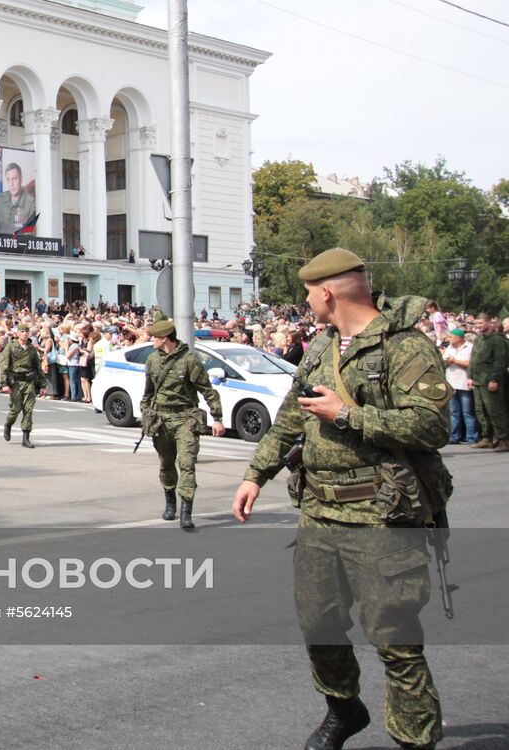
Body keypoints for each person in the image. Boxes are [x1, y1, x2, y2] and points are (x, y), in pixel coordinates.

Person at [232, 248, 452, 750]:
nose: (308, 301)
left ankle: (415, 739)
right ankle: (344, 709)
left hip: (382, 513)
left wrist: (347, 416)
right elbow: (292, 415)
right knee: (319, 624)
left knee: (394, 637)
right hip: (319, 510)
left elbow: (432, 425)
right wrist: (255, 474)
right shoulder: (321, 347)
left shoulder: (405, 348)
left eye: (310, 293)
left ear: (326, 292)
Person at [139, 317, 224, 529]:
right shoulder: (152, 360)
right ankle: (170, 503)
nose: (152, 341)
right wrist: (145, 413)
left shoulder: (189, 360)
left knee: (187, 464)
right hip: (161, 420)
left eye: (155, 337)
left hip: (185, 418)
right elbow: (148, 391)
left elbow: (207, 390)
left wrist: (218, 418)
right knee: (166, 464)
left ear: (165, 338)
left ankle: (187, 511)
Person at [467, 311, 508, 451]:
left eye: (481, 323)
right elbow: (473, 359)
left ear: (489, 322)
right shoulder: (479, 339)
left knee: (495, 410)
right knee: (481, 411)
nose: (478, 325)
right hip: (478, 380)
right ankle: (487, 437)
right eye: (476, 323)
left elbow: (500, 360)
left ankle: (504, 439)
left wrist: (494, 379)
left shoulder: (497, 339)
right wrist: (470, 376)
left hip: (489, 380)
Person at [0, 329, 43, 448]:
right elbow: (4, 365)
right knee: (15, 409)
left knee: (28, 410)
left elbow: (37, 367)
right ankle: (8, 424)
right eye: (22, 331)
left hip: (28, 382)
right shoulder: (10, 347)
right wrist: (4, 384)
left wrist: (43, 384)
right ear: (18, 333)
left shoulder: (32, 348)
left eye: (26, 332)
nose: (25, 334)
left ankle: (26, 438)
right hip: (16, 382)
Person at [441, 327, 478, 445]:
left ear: (459, 338)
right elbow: (443, 362)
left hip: (464, 382)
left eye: (451, 337)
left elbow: (471, 364)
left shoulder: (470, 347)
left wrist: (455, 361)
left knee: (467, 412)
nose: (448, 339)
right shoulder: (450, 348)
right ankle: (454, 436)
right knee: (453, 412)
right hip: (451, 383)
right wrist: (447, 362)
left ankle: (472, 436)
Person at [0, 161, 37, 234]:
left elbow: (31, 233)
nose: (11, 184)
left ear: (21, 179)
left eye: (14, 179)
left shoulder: (31, 203)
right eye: (8, 179)